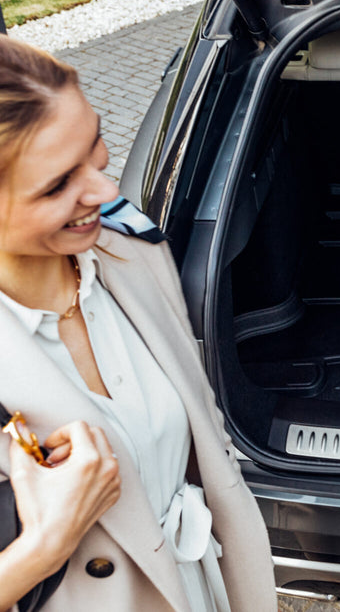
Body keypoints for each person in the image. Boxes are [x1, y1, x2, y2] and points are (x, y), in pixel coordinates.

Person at [0, 35, 276, 610]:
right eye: (58, 184)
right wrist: (46, 547)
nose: (105, 190)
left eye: (95, 143)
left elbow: (204, 434)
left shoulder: (132, 252)